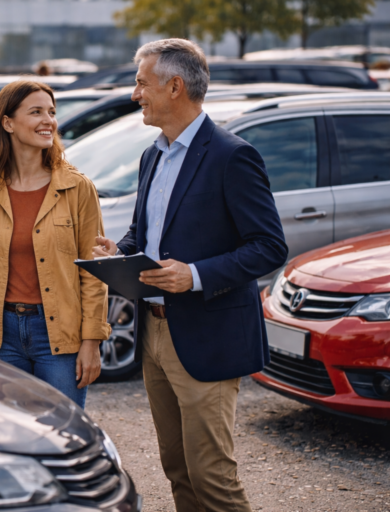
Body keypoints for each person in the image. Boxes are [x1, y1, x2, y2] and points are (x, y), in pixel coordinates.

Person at [93, 39, 287, 512]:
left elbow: (269, 247)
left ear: (174, 86)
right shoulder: (151, 156)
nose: (134, 93)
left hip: (208, 336)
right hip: (155, 335)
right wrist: (117, 252)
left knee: (211, 477)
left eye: (141, 83)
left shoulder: (232, 156)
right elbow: (144, 234)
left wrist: (196, 275)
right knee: (176, 467)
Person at [0, 80, 111, 407]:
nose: (48, 120)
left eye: (52, 112)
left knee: (64, 434)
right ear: (7, 123)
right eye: (36, 112)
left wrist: (91, 342)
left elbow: (94, 272)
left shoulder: (77, 188)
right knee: (6, 434)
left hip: (60, 336)